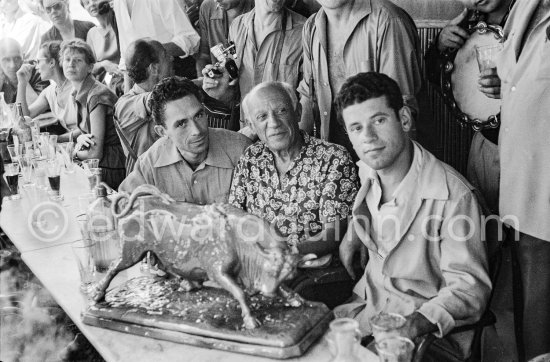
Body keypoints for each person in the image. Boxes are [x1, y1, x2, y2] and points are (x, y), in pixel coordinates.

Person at [334, 72, 491, 360]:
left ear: (404, 120)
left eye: (378, 121)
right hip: (367, 315)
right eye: (356, 128)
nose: (368, 138)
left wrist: (413, 325)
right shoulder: (367, 170)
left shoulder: (454, 196)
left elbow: (469, 291)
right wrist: (353, 230)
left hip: (425, 338)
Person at [478, 0, 550, 359]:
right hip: (521, 181)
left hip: (545, 184)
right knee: (526, 299)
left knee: (539, 304)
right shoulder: (523, 7)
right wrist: (504, 86)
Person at [229, 81, 358, 255]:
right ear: (251, 126)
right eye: (262, 117)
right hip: (257, 266)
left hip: (310, 270)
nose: (274, 123)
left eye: (281, 111)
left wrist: (287, 255)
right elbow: (235, 221)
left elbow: (333, 233)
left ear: (297, 113)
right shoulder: (251, 158)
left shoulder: (333, 158)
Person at [297, 0, 422, 159]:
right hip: (336, 164)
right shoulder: (311, 27)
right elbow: (308, 97)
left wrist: (385, 179)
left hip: (383, 159)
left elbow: (402, 109)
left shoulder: (388, 21)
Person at [425, 0, 516, 214]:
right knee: (486, 223)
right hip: (486, 144)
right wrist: (440, 46)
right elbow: (434, 77)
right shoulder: (467, 22)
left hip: (529, 146)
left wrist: (512, 84)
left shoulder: (533, 17)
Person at [119, 76, 252, 203]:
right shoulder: (150, 164)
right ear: (162, 132)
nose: (197, 131)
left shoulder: (241, 151)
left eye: (198, 115)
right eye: (181, 124)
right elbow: (123, 207)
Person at [201, 0, 305, 126]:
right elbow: (235, 95)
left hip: (283, 133)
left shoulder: (303, 31)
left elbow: (308, 101)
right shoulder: (237, 26)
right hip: (246, 128)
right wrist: (220, 88)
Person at [61, 39, 125, 189]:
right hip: (99, 163)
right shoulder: (79, 91)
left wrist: (73, 152)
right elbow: (89, 132)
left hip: (110, 167)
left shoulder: (96, 95)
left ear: (90, 67)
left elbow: (95, 153)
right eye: (67, 59)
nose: (71, 64)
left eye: (78, 60)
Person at [114, 39, 173, 175]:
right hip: (145, 186)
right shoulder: (124, 105)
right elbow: (159, 97)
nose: (171, 59)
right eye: (165, 56)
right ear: (154, 69)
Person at [112, 0, 201, 84]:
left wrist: (151, 52)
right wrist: (127, 96)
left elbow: (190, 39)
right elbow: (125, 55)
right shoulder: (118, 2)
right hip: (142, 83)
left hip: (174, 72)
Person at [15, 41, 72, 134]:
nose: (36, 67)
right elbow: (24, 117)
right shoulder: (49, 92)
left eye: (38, 61)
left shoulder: (76, 87)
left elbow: (87, 129)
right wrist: (22, 82)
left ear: (51, 62)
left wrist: (56, 139)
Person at [196, 0, 253, 72]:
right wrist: (205, 79)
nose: (216, 0)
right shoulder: (208, 7)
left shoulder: (260, 12)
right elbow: (204, 56)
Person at [81, 0, 122, 92]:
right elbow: (90, 67)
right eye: (87, 3)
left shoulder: (119, 22)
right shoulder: (92, 33)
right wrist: (103, 64)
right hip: (108, 84)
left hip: (126, 76)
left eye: (94, 0)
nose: (91, 4)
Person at [0, 37, 49, 104]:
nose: (12, 65)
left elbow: (38, 109)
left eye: (17, 58)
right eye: (6, 60)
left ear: (23, 56)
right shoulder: (2, 77)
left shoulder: (38, 71)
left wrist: (23, 81)